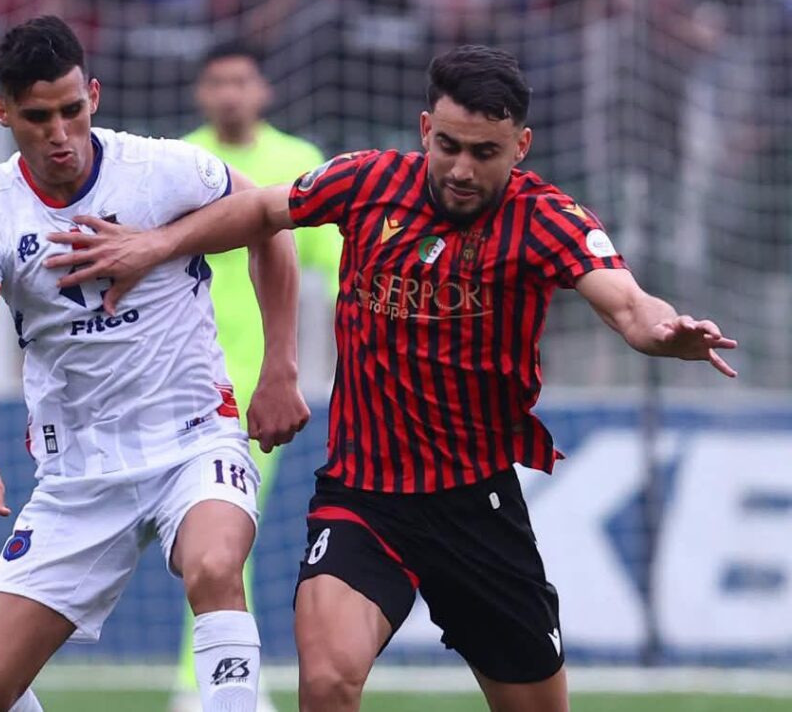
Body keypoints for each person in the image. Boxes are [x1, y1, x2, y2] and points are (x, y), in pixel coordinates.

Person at [45, 45, 738, 712]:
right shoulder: (369, 182)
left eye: (485, 153)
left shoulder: (546, 218)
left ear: (520, 147)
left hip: (476, 506)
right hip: (363, 499)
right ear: (426, 129)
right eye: (449, 146)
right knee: (327, 681)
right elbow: (261, 210)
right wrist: (154, 246)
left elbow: (627, 303)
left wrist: (662, 332)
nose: (461, 169)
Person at [0, 15, 309, 712]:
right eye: (38, 117)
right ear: (3, 112)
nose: (60, 133)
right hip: (81, 470)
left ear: (94, 95)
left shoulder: (162, 170)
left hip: (194, 436)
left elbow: (269, 223)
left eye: (72, 110)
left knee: (216, 565)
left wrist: (281, 365)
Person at [171, 41, 342, 712]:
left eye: (241, 81)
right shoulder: (178, 162)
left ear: (263, 90)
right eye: (217, 82)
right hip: (171, 380)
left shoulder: (297, 161)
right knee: (198, 539)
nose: (230, 94)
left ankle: (205, 686)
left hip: (252, 390)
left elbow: (339, 263)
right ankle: (214, 683)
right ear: (201, 93)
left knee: (222, 536)